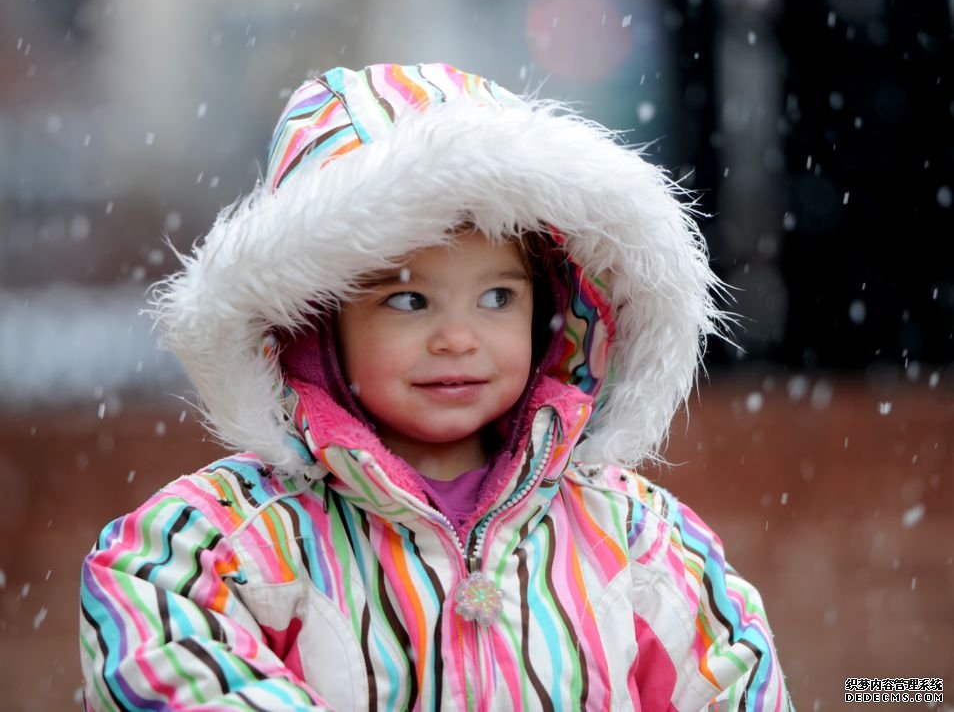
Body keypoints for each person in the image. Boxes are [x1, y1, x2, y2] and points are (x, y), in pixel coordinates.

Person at [79, 62, 793, 711]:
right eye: (409, 301)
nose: (458, 338)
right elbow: (151, 637)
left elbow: (731, 674)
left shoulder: (634, 537)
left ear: (551, 315)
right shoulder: (233, 536)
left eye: (497, 299)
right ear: (317, 327)